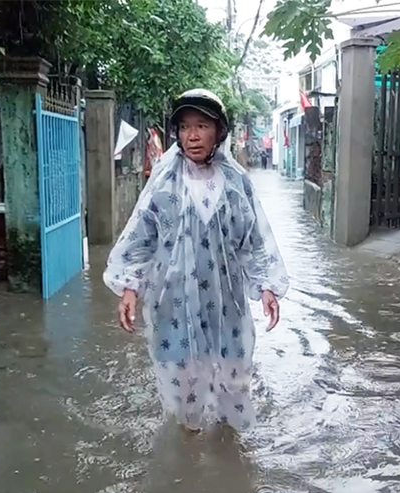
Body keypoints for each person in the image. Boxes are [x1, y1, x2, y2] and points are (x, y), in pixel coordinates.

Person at [103, 89, 289, 433]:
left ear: (218, 131)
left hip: (227, 302)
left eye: (201, 125)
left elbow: (254, 239)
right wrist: (129, 287)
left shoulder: (235, 183)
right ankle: (188, 447)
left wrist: (267, 287)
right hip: (173, 301)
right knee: (182, 381)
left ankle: (227, 452)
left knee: (233, 377)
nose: (192, 135)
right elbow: (141, 237)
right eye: (185, 127)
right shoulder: (164, 182)